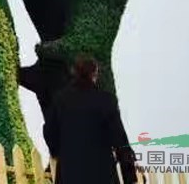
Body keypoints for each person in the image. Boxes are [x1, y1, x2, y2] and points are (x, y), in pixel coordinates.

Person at [43, 55, 139, 184]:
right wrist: (130, 178)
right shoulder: (106, 100)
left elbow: (49, 131)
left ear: (74, 72)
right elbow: (120, 141)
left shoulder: (60, 100)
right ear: (95, 73)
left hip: (70, 174)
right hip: (102, 174)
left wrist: (58, 151)